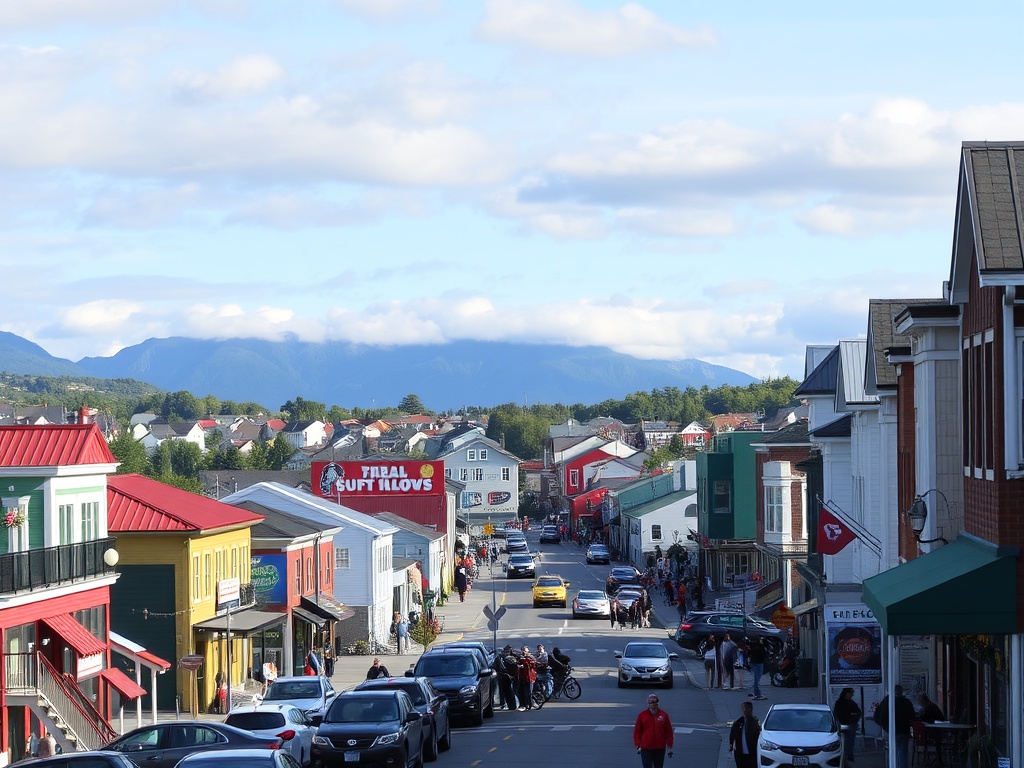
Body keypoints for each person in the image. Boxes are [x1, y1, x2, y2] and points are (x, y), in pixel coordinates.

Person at [874, 685, 916, 768]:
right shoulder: (906, 702)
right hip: (904, 730)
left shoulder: (886, 702)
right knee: (903, 752)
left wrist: (884, 726)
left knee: (892, 751)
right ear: (901, 692)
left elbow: (879, 715)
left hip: (890, 730)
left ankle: (892, 765)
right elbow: (912, 716)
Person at [633, 694, 674, 768]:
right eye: (650, 702)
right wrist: (638, 745)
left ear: (657, 703)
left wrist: (669, 746)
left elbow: (669, 732)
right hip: (646, 748)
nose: (651, 704)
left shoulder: (664, 715)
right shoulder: (642, 715)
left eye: (653, 702)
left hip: (659, 748)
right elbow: (637, 732)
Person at [834, 687, 862, 763]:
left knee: (848, 740)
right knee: (847, 740)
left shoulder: (847, 702)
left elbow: (858, 712)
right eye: (851, 693)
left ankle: (847, 755)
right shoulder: (843, 702)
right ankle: (846, 755)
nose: (852, 695)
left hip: (848, 724)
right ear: (847, 693)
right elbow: (837, 714)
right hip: (845, 724)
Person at [729, 701, 761, 768]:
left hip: (752, 752)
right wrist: (731, 745)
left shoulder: (755, 722)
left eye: (747, 708)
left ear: (751, 709)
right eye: (744, 708)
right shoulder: (738, 722)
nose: (745, 710)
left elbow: (759, 734)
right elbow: (732, 734)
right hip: (740, 752)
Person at [494, 645, 519, 710]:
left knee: (508, 692)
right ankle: (509, 705)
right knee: (507, 692)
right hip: (506, 677)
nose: (506, 652)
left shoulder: (508, 658)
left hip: (506, 677)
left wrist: (511, 675)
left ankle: (511, 705)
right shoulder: (505, 658)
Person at [516, 646, 537, 711]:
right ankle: (524, 704)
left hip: (530, 678)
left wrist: (527, 660)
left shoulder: (530, 658)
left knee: (528, 692)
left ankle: (529, 703)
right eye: (523, 651)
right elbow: (517, 665)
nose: (524, 652)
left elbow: (533, 664)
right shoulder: (520, 658)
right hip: (523, 678)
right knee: (522, 691)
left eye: (525, 651)